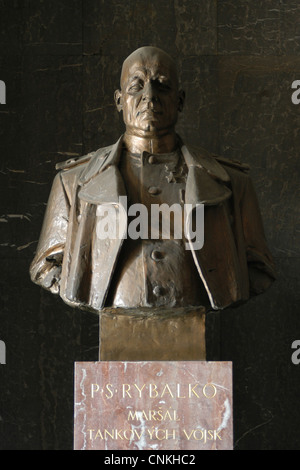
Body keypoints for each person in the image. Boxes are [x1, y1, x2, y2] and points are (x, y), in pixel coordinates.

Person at [30, 46, 276, 315]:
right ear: (119, 100)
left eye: (161, 85)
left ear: (180, 100)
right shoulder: (73, 183)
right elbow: (49, 266)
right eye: (136, 86)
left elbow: (257, 268)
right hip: (116, 322)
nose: (150, 96)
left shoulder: (232, 184)